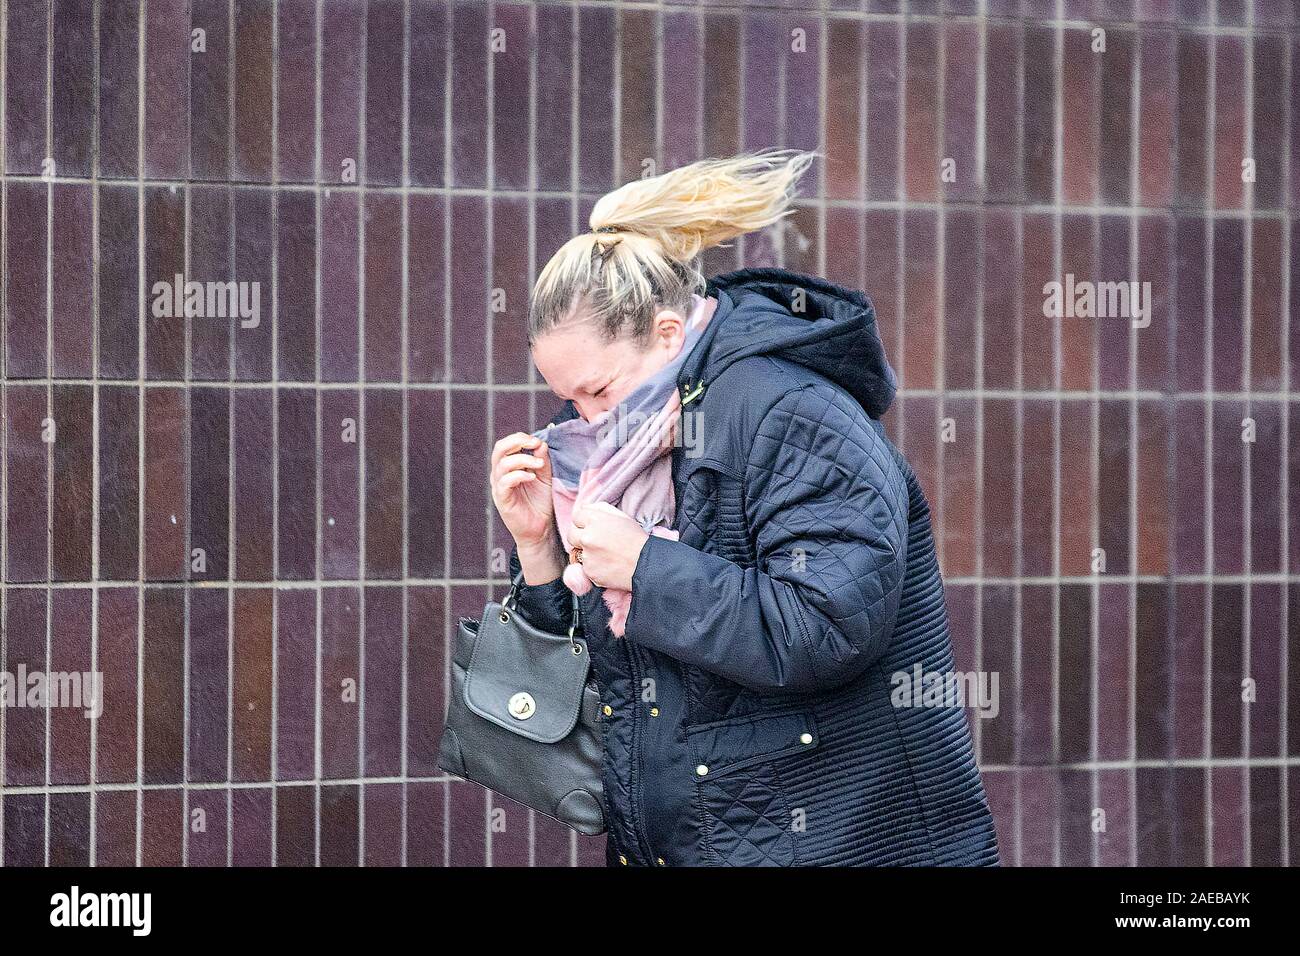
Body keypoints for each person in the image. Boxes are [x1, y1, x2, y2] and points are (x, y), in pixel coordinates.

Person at [489, 149, 999, 866]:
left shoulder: (790, 411)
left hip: (838, 842)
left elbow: (829, 624)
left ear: (669, 334)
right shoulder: (631, 446)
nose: (583, 418)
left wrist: (645, 566)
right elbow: (616, 683)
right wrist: (540, 550)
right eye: (567, 398)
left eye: (597, 393)